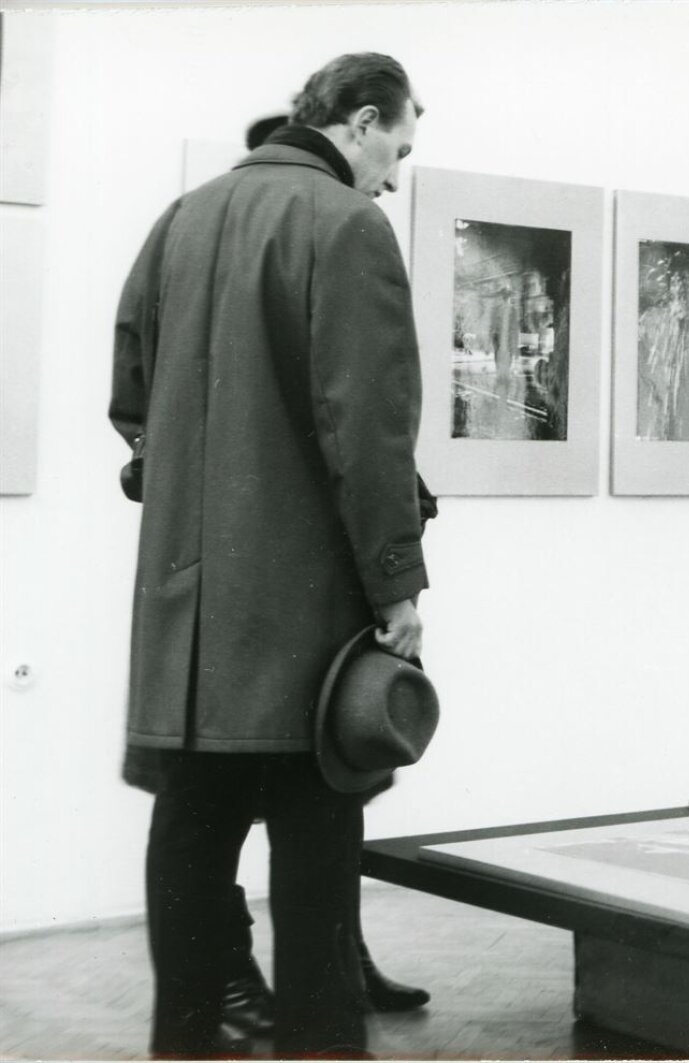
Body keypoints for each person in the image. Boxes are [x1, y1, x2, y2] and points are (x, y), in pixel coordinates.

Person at [110, 53, 428, 1058]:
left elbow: (130, 394)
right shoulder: (346, 225)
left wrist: (179, 486)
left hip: (185, 601)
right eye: (396, 150)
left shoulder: (184, 216)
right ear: (361, 122)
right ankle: (320, 1044)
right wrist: (397, 584)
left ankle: (184, 1038)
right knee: (316, 834)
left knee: (190, 824)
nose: (392, 177)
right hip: (303, 601)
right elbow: (366, 431)